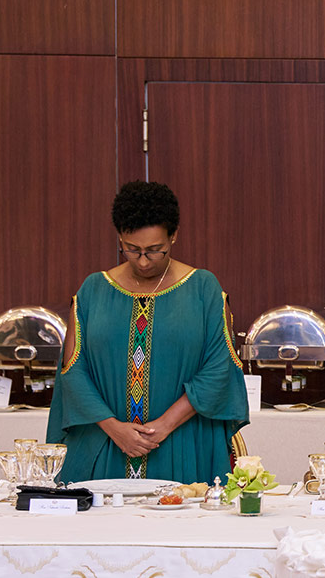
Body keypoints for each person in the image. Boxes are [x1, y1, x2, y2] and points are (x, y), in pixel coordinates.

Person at [48, 181, 248, 484]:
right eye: (131, 249)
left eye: (155, 250)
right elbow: (73, 370)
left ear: (174, 235)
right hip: (105, 444)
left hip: (182, 442)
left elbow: (220, 367)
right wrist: (115, 428)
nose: (142, 261)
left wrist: (163, 426)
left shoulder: (203, 289)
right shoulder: (93, 290)